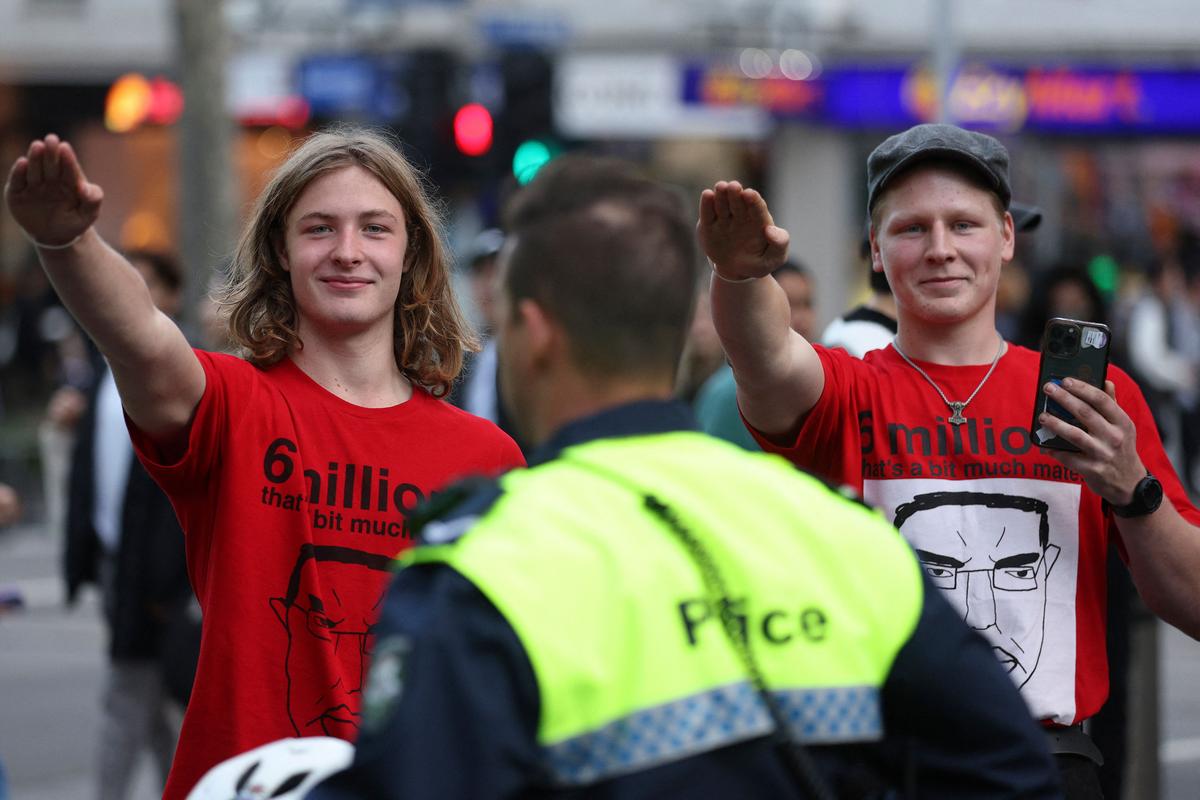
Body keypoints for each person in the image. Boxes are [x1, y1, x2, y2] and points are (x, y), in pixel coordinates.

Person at [308, 155, 1060, 799]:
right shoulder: (842, 539)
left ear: (533, 333)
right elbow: (1011, 771)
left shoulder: (482, 567)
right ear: (674, 326)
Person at [3, 127, 524, 799]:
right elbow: (138, 337)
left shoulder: (486, 457)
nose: (347, 251)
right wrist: (66, 243)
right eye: (319, 228)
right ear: (281, 248)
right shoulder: (230, 404)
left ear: (412, 252)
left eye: (374, 228)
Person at [698, 122, 1200, 797]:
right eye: (912, 229)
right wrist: (740, 272)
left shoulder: (1095, 400)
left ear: (1007, 237)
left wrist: (1130, 487)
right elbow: (766, 355)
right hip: (887, 765)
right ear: (876, 249)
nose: (940, 250)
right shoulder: (850, 388)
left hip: (1047, 764)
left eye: (964, 225)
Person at [59, 250, 195, 800]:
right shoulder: (100, 373)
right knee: (153, 708)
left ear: (170, 296)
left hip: (166, 580)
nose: (124, 295)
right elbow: (90, 478)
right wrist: (83, 561)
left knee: (132, 703)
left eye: (142, 283)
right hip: (119, 568)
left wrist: (173, 582)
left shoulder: (187, 374)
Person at [695, 260, 815, 449]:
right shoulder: (727, 394)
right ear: (763, 306)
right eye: (790, 303)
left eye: (807, 304)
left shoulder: (820, 383)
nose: (801, 318)